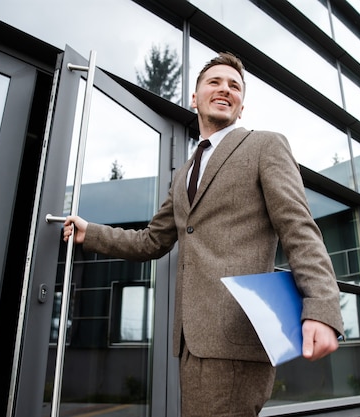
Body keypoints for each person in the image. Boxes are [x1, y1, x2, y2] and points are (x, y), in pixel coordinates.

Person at [63, 52, 343, 416]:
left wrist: (321, 308)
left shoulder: (265, 146)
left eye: (235, 86)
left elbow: (299, 228)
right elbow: (152, 240)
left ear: (242, 107)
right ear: (195, 98)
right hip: (191, 342)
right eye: (215, 82)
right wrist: (92, 234)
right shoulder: (184, 173)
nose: (225, 89)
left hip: (237, 336)